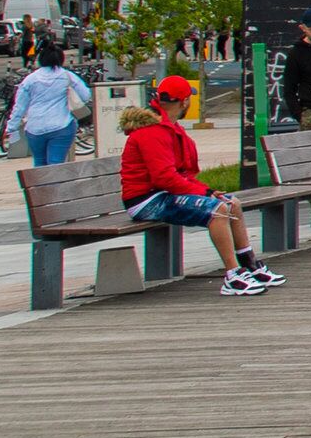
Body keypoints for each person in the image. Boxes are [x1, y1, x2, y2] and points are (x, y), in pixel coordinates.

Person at [120, 74, 282, 294]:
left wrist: (208, 191)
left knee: (231, 203)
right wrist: (205, 192)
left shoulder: (169, 127)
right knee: (218, 210)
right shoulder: (152, 132)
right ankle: (233, 275)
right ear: (184, 101)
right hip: (146, 200)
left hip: (162, 193)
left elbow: (181, 174)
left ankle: (249, 264)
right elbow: (164, 177)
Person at [7, 52, 92, 169]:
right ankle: (55, 186)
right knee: (56, 164)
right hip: (62, 125)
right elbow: (86, 95)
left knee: (39, 163)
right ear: (60, 60)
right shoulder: (67, 76)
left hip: (34, 128)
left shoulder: (30, 80)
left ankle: (41, 186)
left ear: (40, 61)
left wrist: (12, 127)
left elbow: (20, 106)